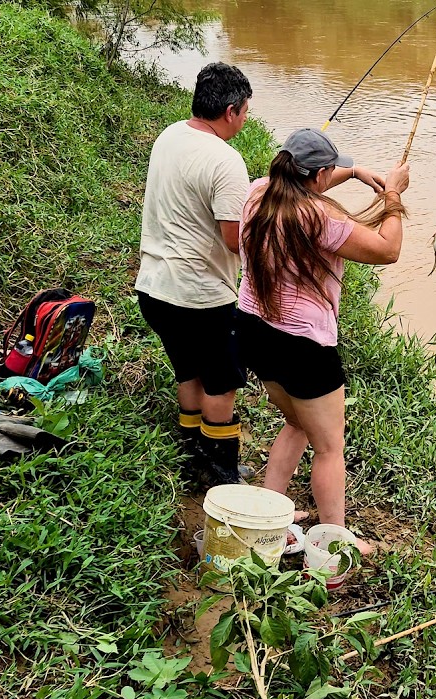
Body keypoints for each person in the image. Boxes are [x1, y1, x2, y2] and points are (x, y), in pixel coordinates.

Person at [238, 128, 409, 553]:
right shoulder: (321, 219)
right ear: (317, 176)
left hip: (254, 330)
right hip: (303, 347)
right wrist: (393, 195)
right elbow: (387, 250)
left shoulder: (258, 193)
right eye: (331, 171)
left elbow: (302, 186)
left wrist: (354, 172)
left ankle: (269, 517)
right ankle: (336, 541)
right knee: (330, 447)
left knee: (297, 422)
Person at [134, 62, 254, 487]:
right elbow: (235, 240)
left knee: (190, 373)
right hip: (200, 298)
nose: (245, 119)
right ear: (230, 111)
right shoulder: (226, 160)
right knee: (221, 384)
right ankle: (221, 475)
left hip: (154, 289)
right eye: (245, 112)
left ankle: (191, 458)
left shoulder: (169, 135)